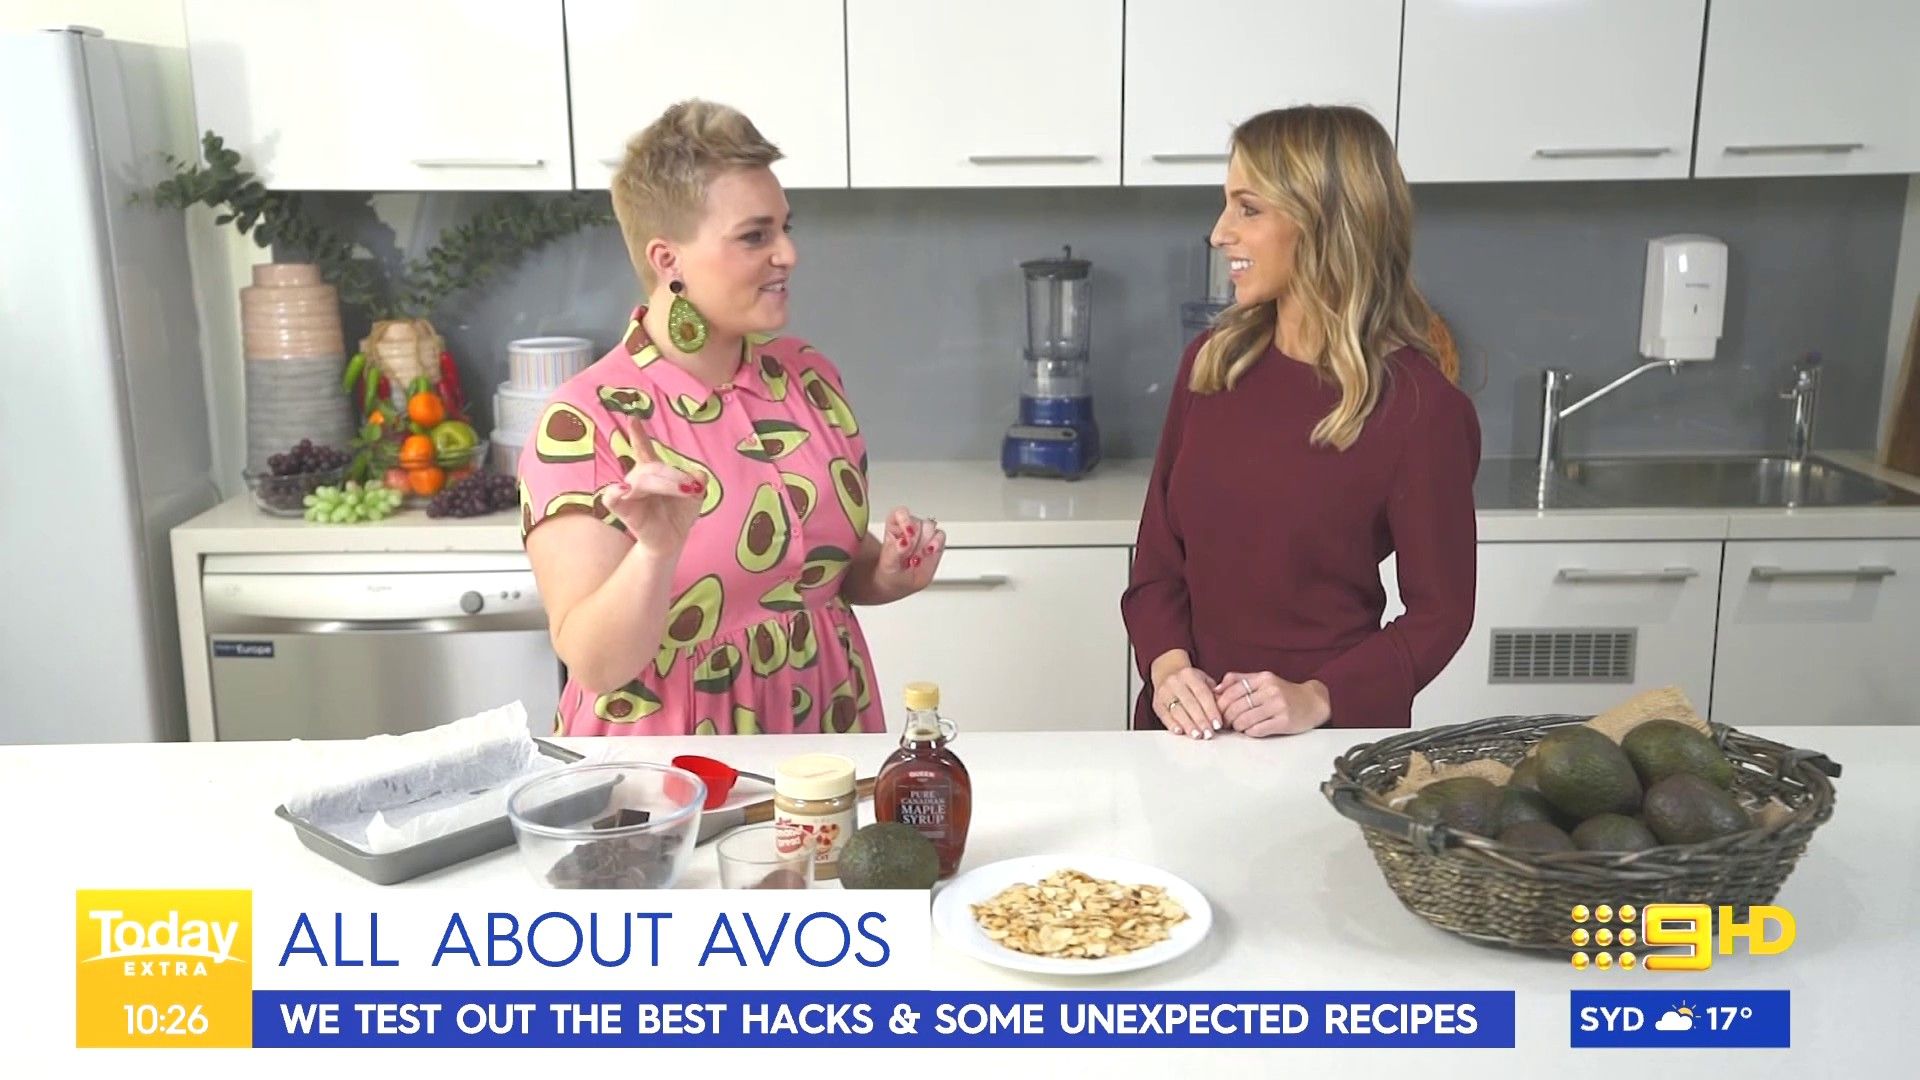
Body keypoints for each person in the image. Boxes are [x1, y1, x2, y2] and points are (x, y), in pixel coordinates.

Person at [520, 100, 944, 736]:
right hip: (672, 761)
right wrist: (656, 550)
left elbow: (821, 574)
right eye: (755, 236)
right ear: (668, 260)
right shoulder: (585, 422)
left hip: (823, 738)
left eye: (785, 228)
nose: (788, 254)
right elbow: (596, 665)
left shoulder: (808, 378)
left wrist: (884, 574)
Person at [1122, 105, 1479, 739]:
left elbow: (1441, 614)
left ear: (1325, 223)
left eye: (1248, 209)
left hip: (1323, 744)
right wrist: (1169, 670)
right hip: (1184, 735)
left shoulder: (1422, 409)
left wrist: (1319, 697)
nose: (1219, 233)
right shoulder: (1210, 365)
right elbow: (1157, 561)